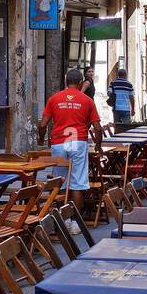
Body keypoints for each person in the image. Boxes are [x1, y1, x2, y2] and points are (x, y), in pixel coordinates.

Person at [39, 68, 103, 216]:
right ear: (81, 83)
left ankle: (63, 220)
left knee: (60, 182)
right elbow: (98, 128)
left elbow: (42, 125)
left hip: (59, 144)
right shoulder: (87, 100)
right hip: (78, 142)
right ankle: (75, 222)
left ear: (66, 82)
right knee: (77, 184)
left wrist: (41, 139)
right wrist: (98, 146)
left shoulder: (54, 99)